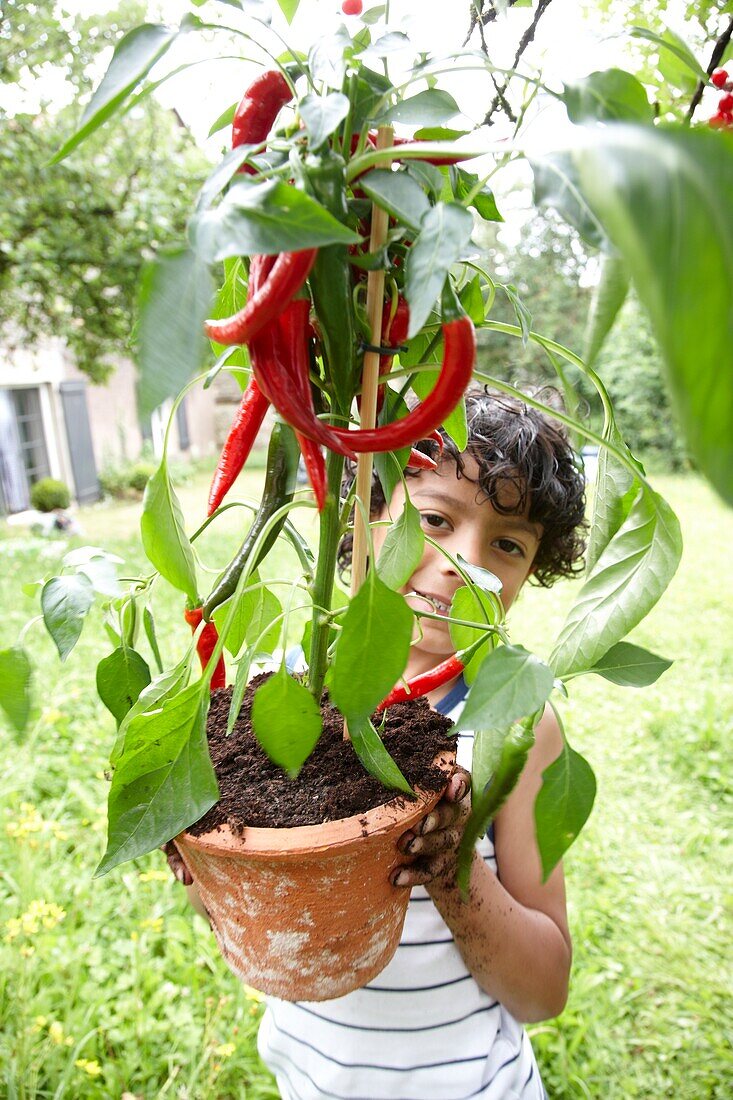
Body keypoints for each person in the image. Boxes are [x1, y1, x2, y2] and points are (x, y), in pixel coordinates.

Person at [165, 386, 587, 1099]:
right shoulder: (280, 691)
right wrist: (206, 870)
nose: (463, 561)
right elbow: (242, 905)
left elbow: (542, 994)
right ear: (366, 514)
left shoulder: (517, 725)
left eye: (507, 545)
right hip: (308, 1076)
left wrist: (453, 867)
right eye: (432, 519)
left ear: (528, 573)